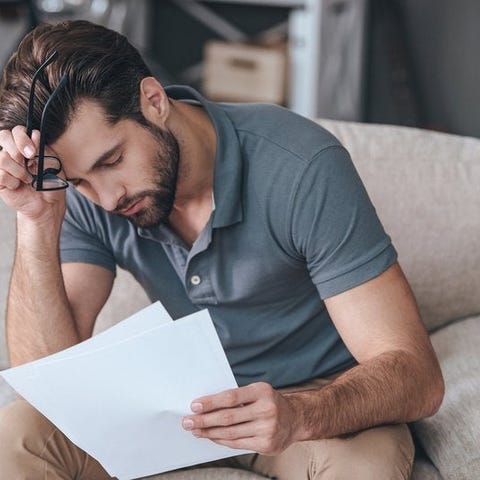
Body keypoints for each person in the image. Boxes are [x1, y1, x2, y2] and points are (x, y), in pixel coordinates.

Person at [0, 20, 444, 480]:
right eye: (79, 181)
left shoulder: (300, 167)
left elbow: (417, 374)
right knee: (14, 437)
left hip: (310, 399)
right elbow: (47, 389)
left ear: (153, 101)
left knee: (364, 469)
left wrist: (300, 413)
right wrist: (37, 219)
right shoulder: (90, 197)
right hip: (176, 404)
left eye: (111, 161)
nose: (108, 197)